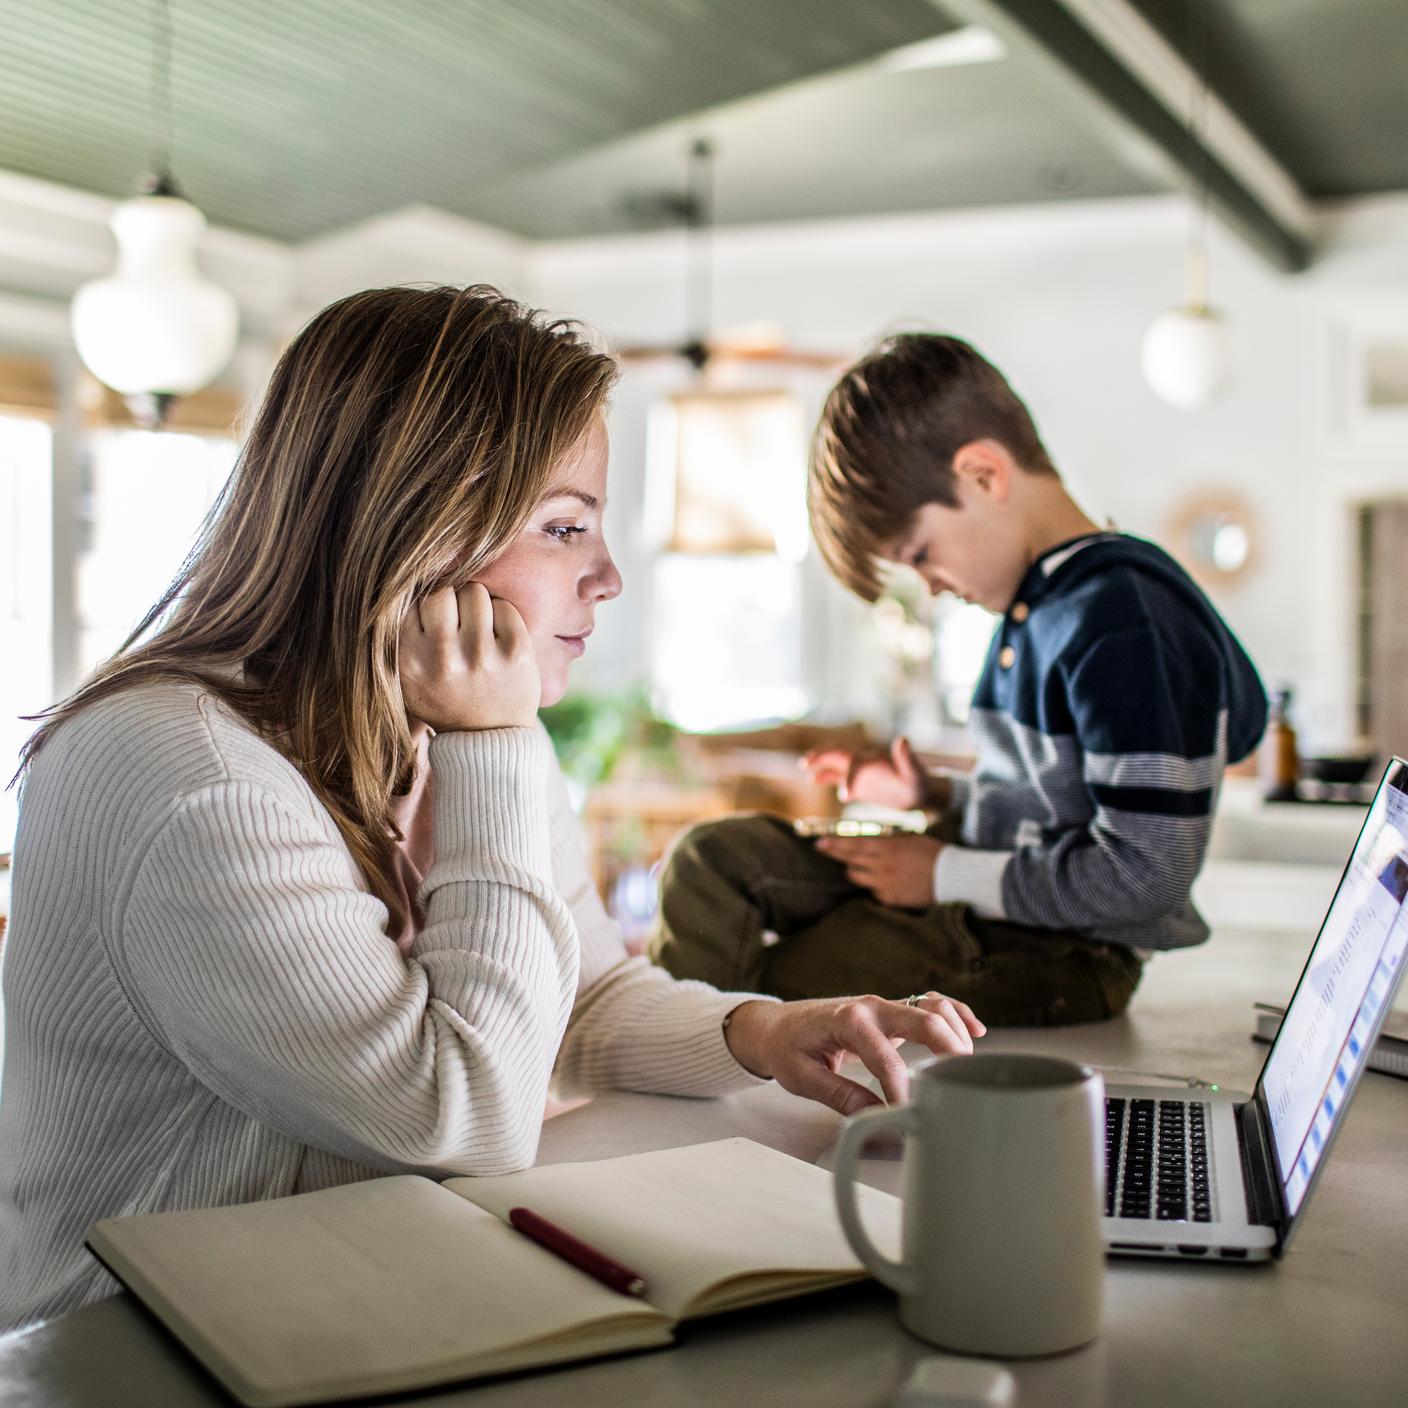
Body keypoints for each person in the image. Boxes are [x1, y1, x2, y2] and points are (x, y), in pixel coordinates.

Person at [0, 289, 983, 1331]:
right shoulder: (196, 776)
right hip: (133, 1345)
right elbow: (459, 1115)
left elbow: (583, 999)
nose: (606, 577)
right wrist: (493, 747)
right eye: (565, 527)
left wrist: (764, 1031)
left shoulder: (452, 725)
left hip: (336, 1294)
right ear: (416, 531)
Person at [649, 332, 1267, 1023]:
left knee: (777, 979)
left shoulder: (1127, 620)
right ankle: (688, 1042)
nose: (932, 586)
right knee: (709, 862)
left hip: (1066, 948)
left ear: (983, 476)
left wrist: (941, 873)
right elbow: (1049, 807)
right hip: (986, 885)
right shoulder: (1039, 607)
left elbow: (1147, 876)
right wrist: (934, 793)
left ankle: (703, 1064)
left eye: (921, 555)